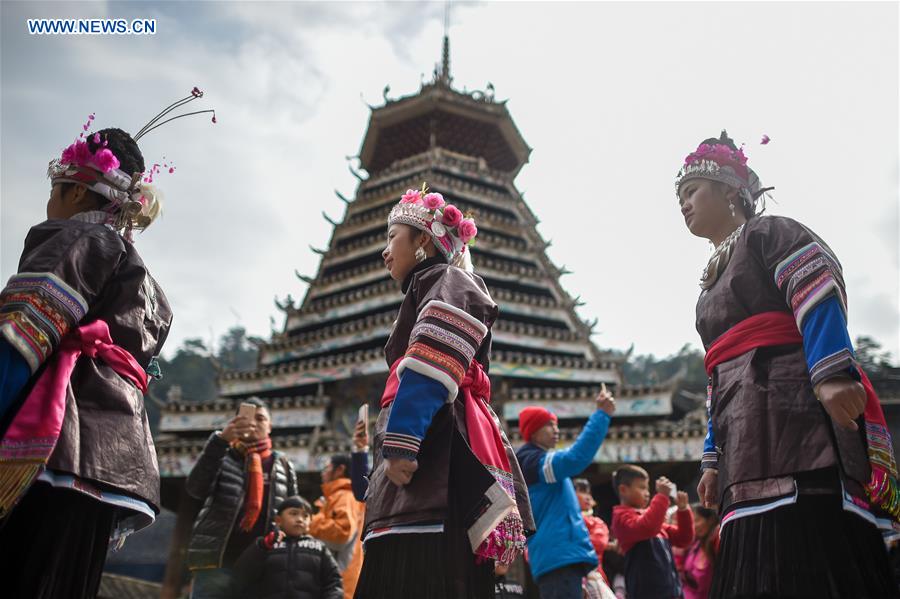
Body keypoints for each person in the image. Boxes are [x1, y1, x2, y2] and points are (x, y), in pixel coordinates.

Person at [678, 131, 899, 597]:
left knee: (809, 549)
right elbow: (716, 376)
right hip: (741, 433)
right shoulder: (706, 289)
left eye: (692, 191)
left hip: (792, 407)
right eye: (679, 197)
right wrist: (712, 459)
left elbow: (815, 286)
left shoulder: (769, 233)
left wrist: (830, 372)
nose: (684, 204)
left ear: (730, 190)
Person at [0, 104, 203, 597]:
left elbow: (22, 339)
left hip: (53, 452)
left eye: (55, 189)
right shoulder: (150, 288)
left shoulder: (75, 238)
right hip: (116, 461)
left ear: (72, 189)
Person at [355, 184, 534, 599]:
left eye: (391, 237)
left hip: (433, 448)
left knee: (421, 571)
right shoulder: (435, 283)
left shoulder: (447, 279)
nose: (385, 251)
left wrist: (402, 441)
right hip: (425, 447)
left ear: (423, 241)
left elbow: (433, 362)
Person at [185, 398, 298, 598]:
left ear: (270, 426)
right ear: (236, 421)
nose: (254, 423)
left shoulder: (284, 466)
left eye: (261, 418)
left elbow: (292, 511)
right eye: (247, 418)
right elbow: (195, 488)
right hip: (216, 563)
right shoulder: (223, 454)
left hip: (262, 566)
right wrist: (220, 441)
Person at [515, 393, 616, 599]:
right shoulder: (531, 460)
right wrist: (601, 416)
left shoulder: (538, 463)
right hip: (559, 558)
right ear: (533, 432)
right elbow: (575, 459)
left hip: (562, 558)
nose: (556, 429)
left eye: (556, 424)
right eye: (549, 425)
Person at [231, 495, 344, 599]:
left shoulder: (319, 548)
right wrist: (262, 546)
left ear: (310, 524)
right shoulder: (265, 544)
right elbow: (241, 573)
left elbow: (334, 582)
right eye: (293, 513)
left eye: (305, 516)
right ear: (278, 520)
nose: (300, 519)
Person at [610, 466, 693, 599]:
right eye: (642, 488)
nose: (647, 493)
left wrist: (683, 510)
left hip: (673, 591)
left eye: (647, 488)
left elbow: (684, 538)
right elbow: (647, 527)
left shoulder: (653, 519)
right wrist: (661, 496)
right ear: (623, 490)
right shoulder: (621, 517)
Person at [310, 454, 364, 599]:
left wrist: (311, 523)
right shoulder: (336, 496)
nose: (323, 472)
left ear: (340, 469)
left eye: (326, 467)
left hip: (341, 579)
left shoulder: (345, 496)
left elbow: (342, 534)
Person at [573, 478, 611, 584]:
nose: (588, 497)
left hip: (594, 575)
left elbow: (598, 543)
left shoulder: (598, 523)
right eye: (582, 491)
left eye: (589, 493)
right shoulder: (564, 520)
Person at [681, 504, 718, 599]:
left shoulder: (716, 543)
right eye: (692, 521)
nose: (694, 526)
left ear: (710, 520)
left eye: (697, 520)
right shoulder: (694, 545)